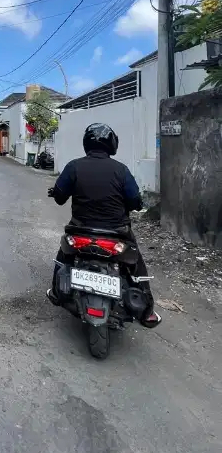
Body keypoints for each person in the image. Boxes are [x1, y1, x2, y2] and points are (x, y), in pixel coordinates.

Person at [46, 122, 161, 328]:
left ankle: (56, 291)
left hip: (81, 230)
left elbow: (59, 198)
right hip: (117, 233)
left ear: (86, 143)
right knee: (136, 264)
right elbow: (135, 202)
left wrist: (58, 191)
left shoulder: (74, 166)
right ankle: (148, 310)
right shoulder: (121, 170)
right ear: (112, 144)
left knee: (63, 258)